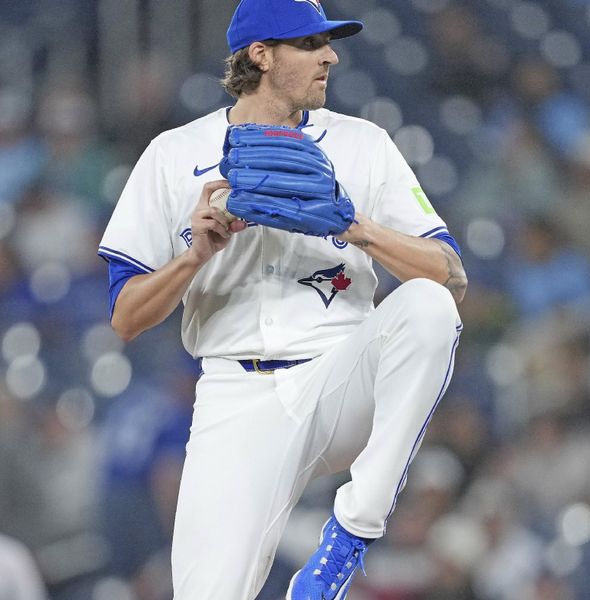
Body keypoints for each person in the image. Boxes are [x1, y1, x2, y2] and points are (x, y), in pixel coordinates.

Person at [97, 1, 467, 599]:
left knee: (429, 309)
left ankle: (349, 536)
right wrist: (194, 255)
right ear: (260, 54)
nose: (331, 56)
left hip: (339, 374)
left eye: (329, 42)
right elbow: (125, 317)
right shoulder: (173, 153)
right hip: (235, 395)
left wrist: (356, 227)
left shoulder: (363, 144)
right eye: (310, 43)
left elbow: (449, 274)